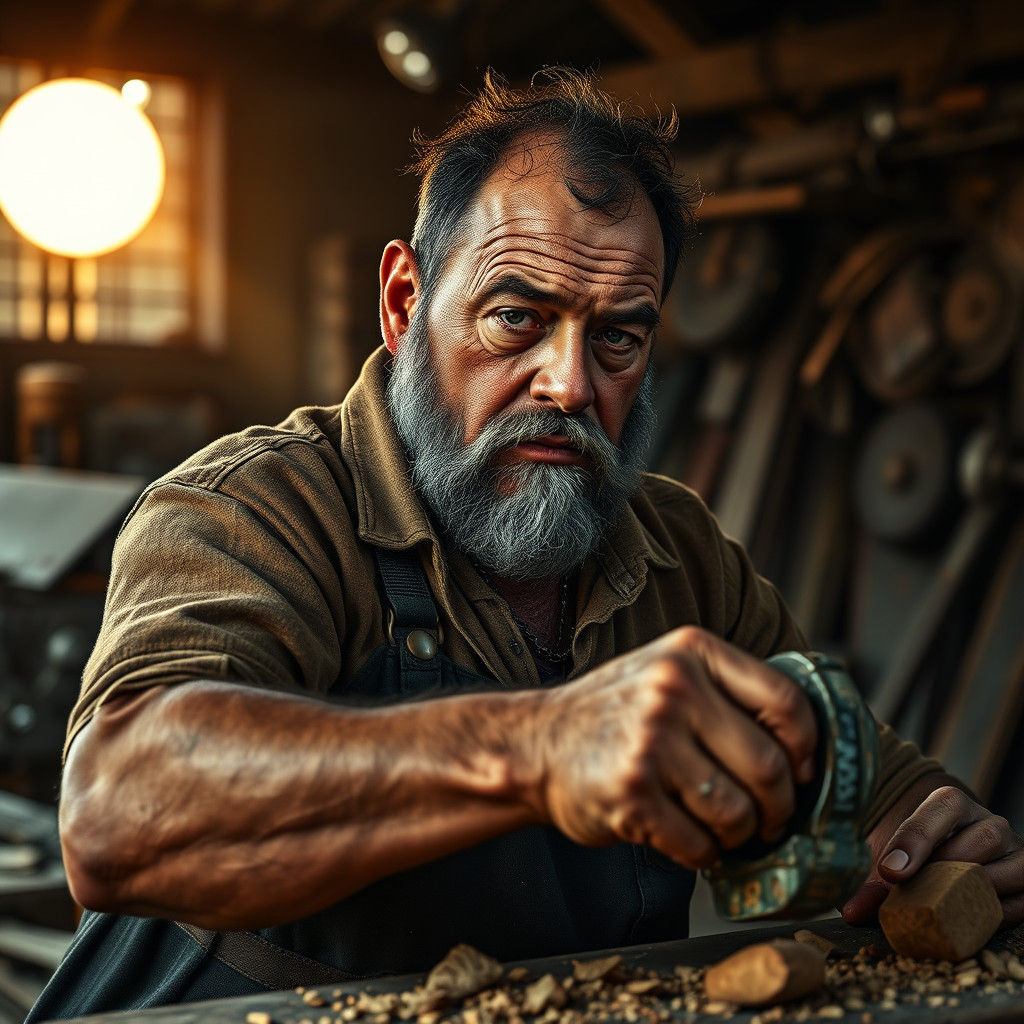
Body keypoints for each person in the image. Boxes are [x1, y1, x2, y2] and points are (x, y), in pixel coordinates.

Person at [29, 69, 1023, 1020]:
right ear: (405, 303)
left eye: (618, 339)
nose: (570, 384)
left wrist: (938, 841)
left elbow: (871, 794)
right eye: (516, 318)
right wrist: (538, 745)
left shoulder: (673, 551)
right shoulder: (258, 507)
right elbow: (120, 812)